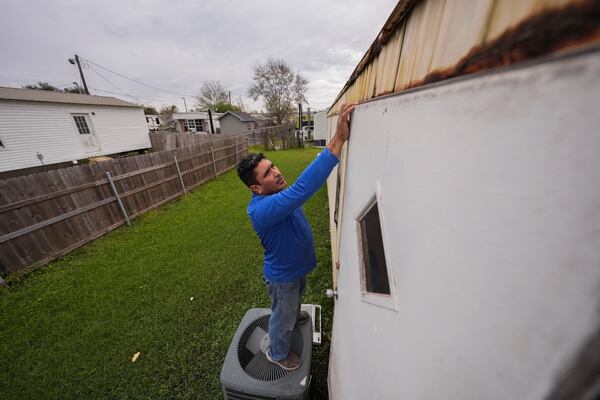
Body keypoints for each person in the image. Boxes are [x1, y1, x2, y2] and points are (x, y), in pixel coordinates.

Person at [236, 103, 357, 371]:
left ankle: (293, 314)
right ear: (256, 187)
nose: (277, 172)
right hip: (283, 276)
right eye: (267, 173)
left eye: (273, 166)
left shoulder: (276, 196)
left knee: (296, 297)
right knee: (282, 313)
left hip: (295, 271)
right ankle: (276, 353)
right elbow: (303, 188)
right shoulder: (263, 209)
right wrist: (338, 139)